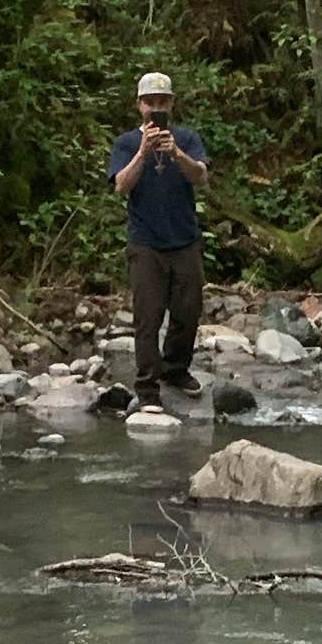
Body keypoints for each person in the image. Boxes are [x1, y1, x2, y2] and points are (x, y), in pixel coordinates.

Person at [107, 70, 209, 402]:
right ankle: (147, 387)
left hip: (184, 239)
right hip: (145, 242)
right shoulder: (125, 142)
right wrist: (142, 152)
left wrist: (177, 153)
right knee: (147, 318)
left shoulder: (188, 138)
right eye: (150, 102)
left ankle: (176, 369)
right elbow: (121, 186)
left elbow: (201, 176)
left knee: (188, 311)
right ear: (139, 105)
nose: (155, 108)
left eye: (161, 102)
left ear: (172, 104)